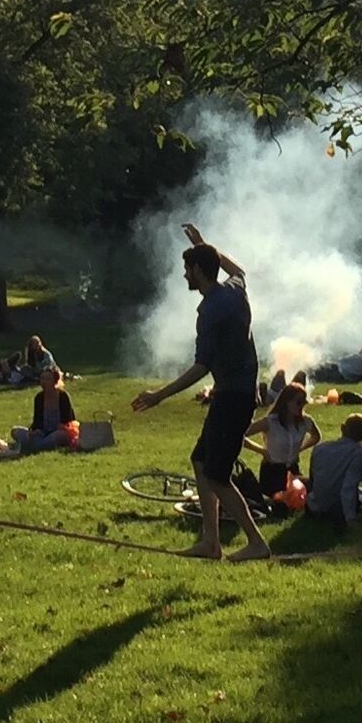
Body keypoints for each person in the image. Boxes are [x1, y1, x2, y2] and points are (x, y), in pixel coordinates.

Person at [132, 223, 270, 562]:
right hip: (233, 394)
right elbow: (238, 270)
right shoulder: (235, 290)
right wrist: (205, 245)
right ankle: (211, 543)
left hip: (233, 399)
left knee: (218, 476)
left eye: (187, 270)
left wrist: (159, 395)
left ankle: (256, 543)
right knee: (200, 460)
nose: (184, 277)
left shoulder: (211, 311)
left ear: (198, 271)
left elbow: (201, 367)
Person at [243, 382, 321, 497]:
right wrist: (262, 451)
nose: (301, 407)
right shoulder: (270, 422)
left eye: (304, 402)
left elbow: (316, 436)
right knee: (281, 500)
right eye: (298, 402)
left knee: (312, 491)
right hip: (273, 470)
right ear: (286, 402)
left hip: (292, 468)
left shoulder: (305, 421)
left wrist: (299, 449)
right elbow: (241, 435)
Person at [306, 414, 362, 526]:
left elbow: (313, 480)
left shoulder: (319, 448)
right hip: (338, 507)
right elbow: (349, 487)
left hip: (316, 504)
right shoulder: (360, 454)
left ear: (342, 428)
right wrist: (351, 519)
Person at [10, 367, 78, 452]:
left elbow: (67, 421)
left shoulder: (63, 396)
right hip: (42, 433)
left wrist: (58, 428)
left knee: (61, 435)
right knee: (15, 431)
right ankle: (38, 445)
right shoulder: (39, 398)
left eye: (48, 379)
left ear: (55, 381)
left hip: (58, 432)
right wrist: (34, 432)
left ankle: (33, 446)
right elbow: (37, 421)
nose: (44, 382)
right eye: (42, 378)